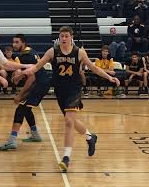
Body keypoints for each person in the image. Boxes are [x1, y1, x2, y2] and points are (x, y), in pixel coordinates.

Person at [22, 26, 119, 171]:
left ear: (71, 37)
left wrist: (109, 77)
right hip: (60, 91)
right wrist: (22, 73)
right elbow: (36, 67)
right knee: (71, 121)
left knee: (68, 121)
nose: (64, 39)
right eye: (62, 36)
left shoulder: (79, 52)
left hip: (74, 90)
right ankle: (90, 137)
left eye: (67, 36)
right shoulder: (52, 51)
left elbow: (93, 68)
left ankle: (66, 158)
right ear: (59, 38)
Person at [0, 34, 50, 150]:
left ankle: (12, 140)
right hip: (42, 83)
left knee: (20, 109)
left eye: (17, 42)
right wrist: (20, 75)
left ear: (23, 43)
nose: (14, 44)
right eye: (13, 42)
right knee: (26, 108)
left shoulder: (26, 55)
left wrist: (20, 94)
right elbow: (30, 72)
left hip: (38, 85)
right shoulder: (31, 51)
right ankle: (35, 135)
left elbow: (32, 78)